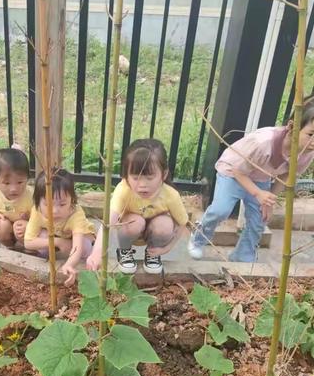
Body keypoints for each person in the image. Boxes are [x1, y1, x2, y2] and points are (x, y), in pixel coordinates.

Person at [188, 98, 314, 262]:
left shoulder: (307, 152)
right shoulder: (264, 143)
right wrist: (258, 193)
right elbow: (238, 171)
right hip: (233, 172)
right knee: (221, 210)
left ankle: (243, 256)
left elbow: (287, 174)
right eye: (310, 134)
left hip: (260, 178)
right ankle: (198, 238)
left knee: (259, 219)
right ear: (291, 127)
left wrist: (268, 200)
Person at [86, 138, 189, 274]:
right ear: (126, 176)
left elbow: (182, 224)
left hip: (155, 231)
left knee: (165, 224)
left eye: (149, 178)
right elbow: (108, 222)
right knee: (136, 221)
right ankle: (125, 251)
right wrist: (96, 253)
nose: (142, 185)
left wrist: (166, 249)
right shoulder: (123, 190)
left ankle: (152, 254)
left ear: (164, 174)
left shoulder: (170, 195)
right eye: (135, 178)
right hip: (130, 229)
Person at [24, 168, 95, 286]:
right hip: (58, 235)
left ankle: (85, 263)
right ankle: (46, 260)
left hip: (82, 237)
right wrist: (58, 242)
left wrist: (69, 265)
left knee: (84, 246)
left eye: (62, 204)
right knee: (42, 236)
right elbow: (28, 242)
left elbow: (77, 246)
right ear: (37, 201)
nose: (55, 211)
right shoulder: (37, 211)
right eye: (48, 204)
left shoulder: (75, 213)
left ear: (72, 200)